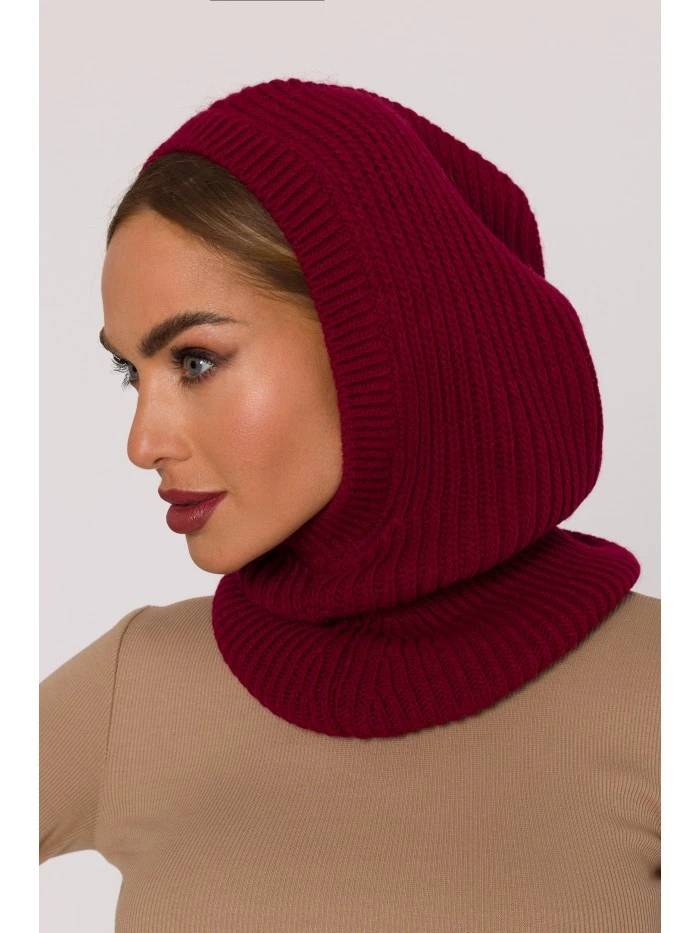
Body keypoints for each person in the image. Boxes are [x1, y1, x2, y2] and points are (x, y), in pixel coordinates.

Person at [40, 77, 660, 932]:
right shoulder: (135, 687)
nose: (143, 442)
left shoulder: (662, 690)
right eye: (130, 372)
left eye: (194, 360)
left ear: (383, 337)